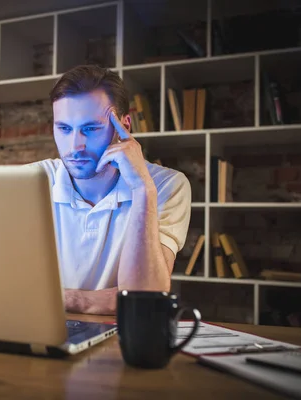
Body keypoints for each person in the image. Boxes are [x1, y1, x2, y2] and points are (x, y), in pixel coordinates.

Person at [32, 65, 192, 315]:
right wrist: (100, 300)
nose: (75, 146)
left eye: (91, 128)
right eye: (64, 129)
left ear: (124, 126)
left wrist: (142, 189)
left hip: (124, 337)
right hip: (42, 326)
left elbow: (145, 298)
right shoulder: (33, 180)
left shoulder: (166, 185)